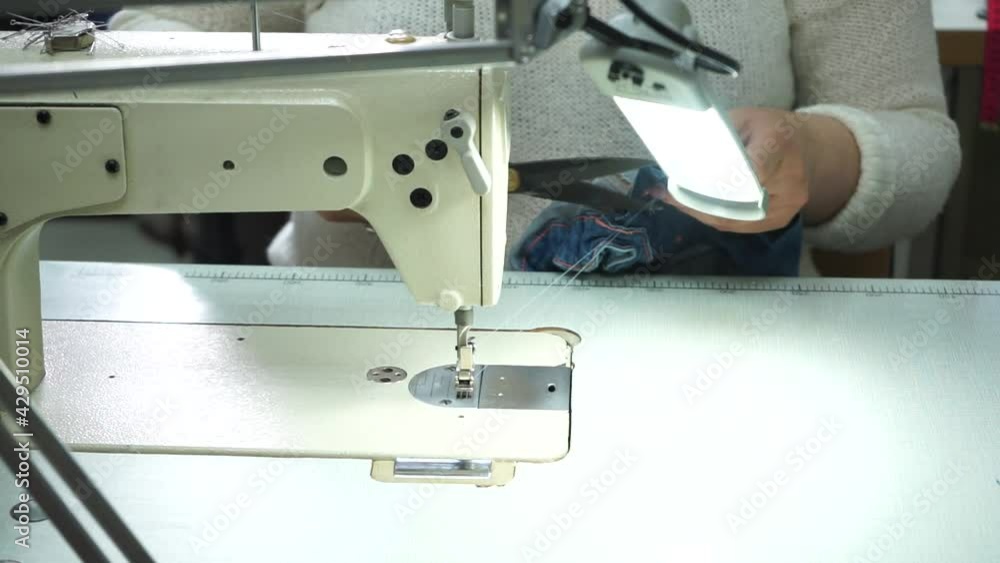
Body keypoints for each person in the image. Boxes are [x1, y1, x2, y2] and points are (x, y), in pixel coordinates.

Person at [111, 0, 961, 276]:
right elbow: (146, 45)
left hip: (733, 365)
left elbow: (919, 138)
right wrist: (297, 136)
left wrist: (814, 153)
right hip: (342, 350)